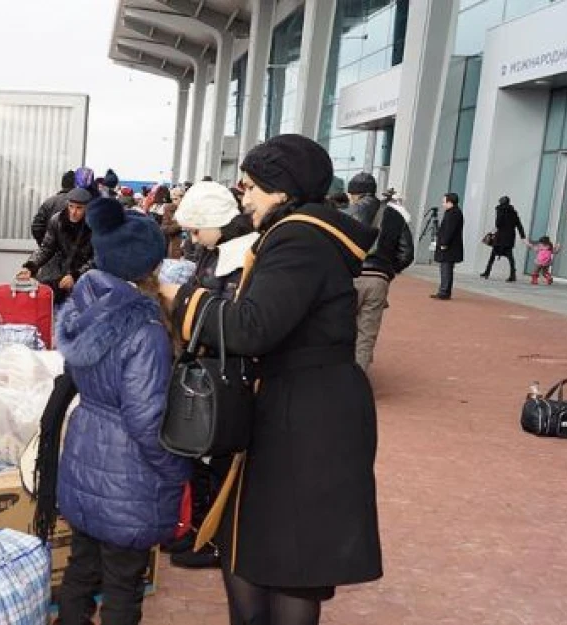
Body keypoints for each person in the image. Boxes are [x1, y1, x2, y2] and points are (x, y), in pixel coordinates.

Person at [165, 134, 382, 625]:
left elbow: (252, 327)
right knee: (263, 543)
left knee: (290, 556)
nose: (244, 196)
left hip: (306, 416)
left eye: (252, 186)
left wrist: (178, 298)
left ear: (281, 190)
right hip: (301, 406)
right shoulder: (301, 233)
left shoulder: (300, 238)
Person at [55, 197, 192, 625]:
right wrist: (175, 470)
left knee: (82, 567)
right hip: (128, 471)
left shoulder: (83, 303)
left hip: (85, 451)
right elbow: (146, 418)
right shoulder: (145, 330)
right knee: (123, 584)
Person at [164, 181, 255, 571]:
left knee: (219, 458)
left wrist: (182, 299)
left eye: (197, 229)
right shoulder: (216, 251)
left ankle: (215, 538)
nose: (193, 238)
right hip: (210, 366)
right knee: (202, 454)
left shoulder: (244, 256)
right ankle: (200, 528)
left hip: (228, 372)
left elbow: (229, 315)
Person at [340, 173, 414, 372]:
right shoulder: (395, 215)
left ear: (354, 193)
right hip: (379, 279)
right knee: (366, 334)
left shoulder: (345, 213)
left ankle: (336, 377)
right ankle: (357, 382)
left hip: (349, 277)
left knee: (339, 327)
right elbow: (407, 254)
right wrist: (388, 269)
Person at [18, 187, 95, 304]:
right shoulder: (58, 220)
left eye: (79, 208)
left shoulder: (94, 226)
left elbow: (97, 259)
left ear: (87, 209)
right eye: (71, 206)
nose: (73, 212)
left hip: (85, 279)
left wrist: (76, 275)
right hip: (59, 274)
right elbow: (46, 248)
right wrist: (30, 266)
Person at [481, 196, 526, 282]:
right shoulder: (513, 212)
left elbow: (498, 223)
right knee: (510, 257)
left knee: (493, 255)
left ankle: (487, 272)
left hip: (500, 236)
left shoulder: (500, 210)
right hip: (509, 237)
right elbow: (519, 225)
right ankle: (512, 275)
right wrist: (523, 236)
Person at [433, 192, 465, 300]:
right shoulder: (452, 212)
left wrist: (444, 243)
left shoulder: (453, 213)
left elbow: (449, 230)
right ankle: (443, 290)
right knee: (445, 268)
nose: (443, 204)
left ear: (450, 202)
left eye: (444, 201)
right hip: (450, 246)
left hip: (449, 247)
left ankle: (444, 292)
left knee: (446, 269)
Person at [33, 170, 76, 244]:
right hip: (74, 252)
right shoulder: (81, 204)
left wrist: (46, 244)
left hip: (52, 252)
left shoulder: (49, 202)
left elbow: (36, 227)